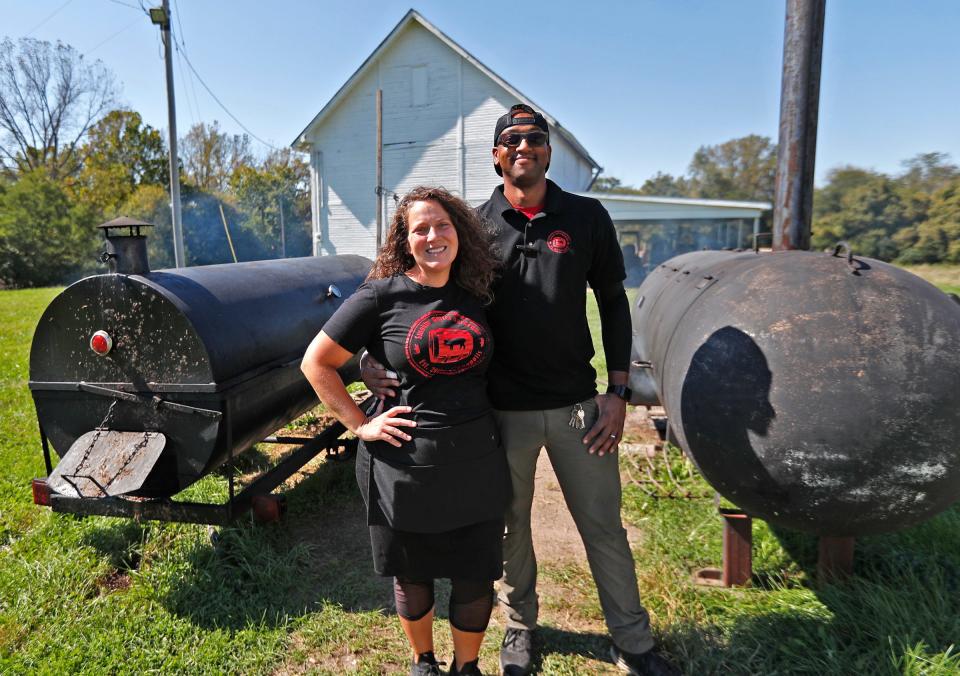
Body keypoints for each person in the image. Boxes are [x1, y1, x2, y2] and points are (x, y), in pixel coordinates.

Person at [363, 104, 677, 676]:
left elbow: (612, 300)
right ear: (496, 154)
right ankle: (520, 628)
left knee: (603, 525)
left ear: (548, 151)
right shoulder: (474, 227)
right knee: (512, 529)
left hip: (580, 407)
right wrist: (367, 361)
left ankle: (633, 641)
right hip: (499, 413)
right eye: (512, 139)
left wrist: (619, 390)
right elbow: (415, 302)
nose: (523, 146)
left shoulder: (585, 217)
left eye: (535, 138)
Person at [302, 186, 511, 676]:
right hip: (403, 465)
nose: (433, 236)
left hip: (476, 461)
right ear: (405, 239)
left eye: (442, 225)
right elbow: (317, 363)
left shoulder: (482, 294)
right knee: (411, 573)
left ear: (459, 232)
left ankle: (467, 666)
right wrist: (360, 424)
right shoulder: (381, 295)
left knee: (475, 577)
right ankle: (423, 662)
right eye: (421, 229)